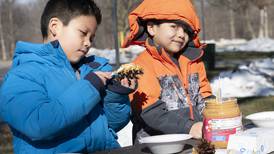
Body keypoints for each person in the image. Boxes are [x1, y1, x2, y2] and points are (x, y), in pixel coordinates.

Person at [0, 0, 136, 153]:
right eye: (83, 33)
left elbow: (110, 125)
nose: (88, 43)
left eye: (91, 37)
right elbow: (38, 125)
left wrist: (116, 95)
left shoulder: (90, 70)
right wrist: (89, 87)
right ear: (55, 27)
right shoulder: (22, 76)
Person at [123, 0, 213, 143]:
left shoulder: (193, 62)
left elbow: (205, 95)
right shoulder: (141, 66)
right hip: (156, 145)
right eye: (174, 26)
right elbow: (151, 112)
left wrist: (216, 114)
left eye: (186, 30)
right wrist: (189, 127)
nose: (181, 34)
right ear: (152, 28)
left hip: (193, 140)